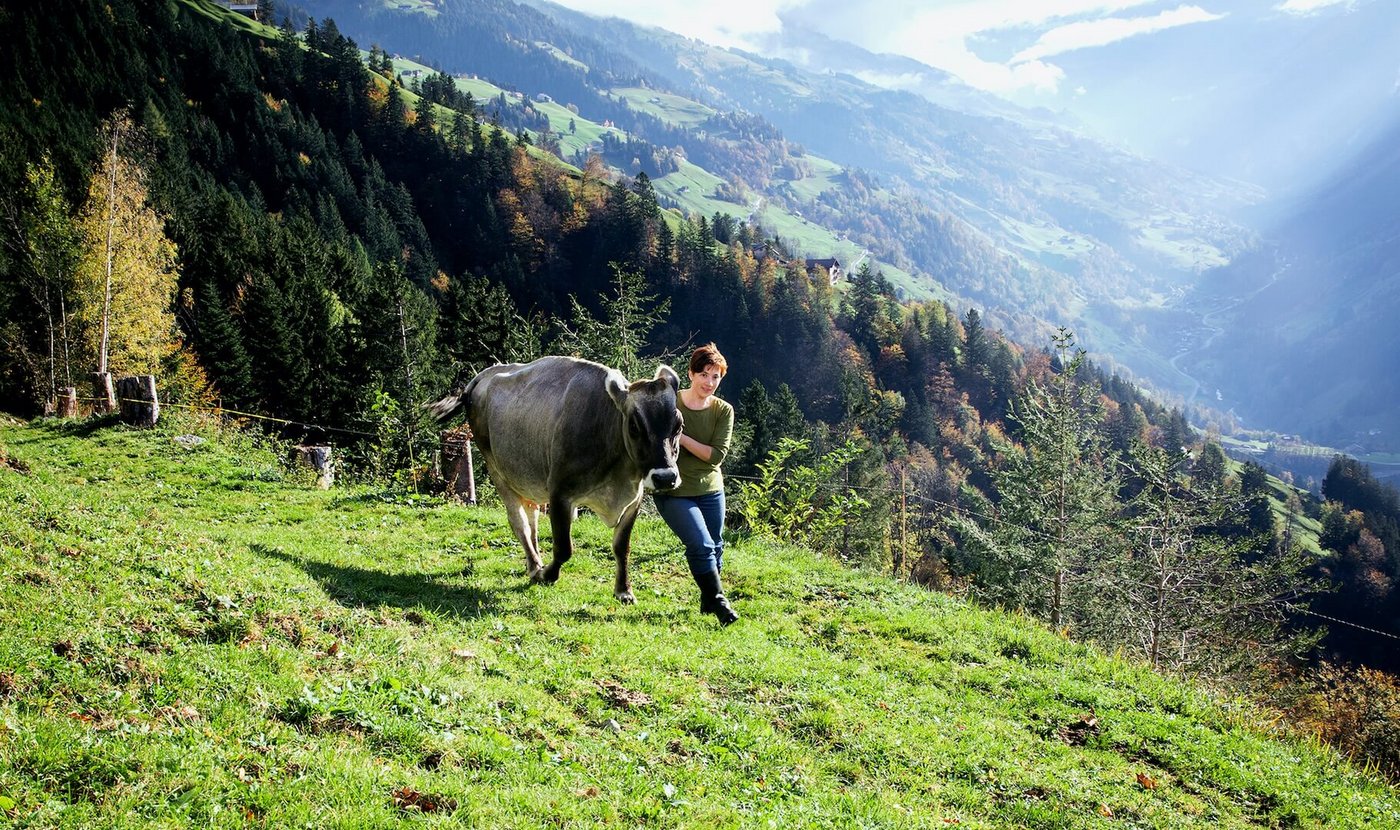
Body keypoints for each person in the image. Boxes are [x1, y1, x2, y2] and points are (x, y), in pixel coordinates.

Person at [654, 343, 739, 626]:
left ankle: (707, 600)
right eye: (705, 374)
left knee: (715, 546)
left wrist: (679, 435)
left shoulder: (723, 411)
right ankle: (719, 602)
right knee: (701, 544)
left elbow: (715, 456)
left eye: (716, 377)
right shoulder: (669, 402)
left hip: (711, 489)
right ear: (691, 374)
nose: (710, 382)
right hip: (674, 490)